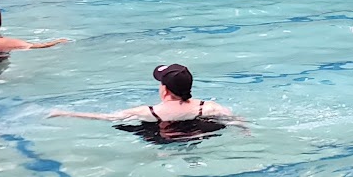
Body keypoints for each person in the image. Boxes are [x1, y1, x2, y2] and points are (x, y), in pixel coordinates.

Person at [49, 64, 239, 145]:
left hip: (162, 136)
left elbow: (108, 118)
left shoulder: (147, 112)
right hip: (197, 133)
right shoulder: (209, 107)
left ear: (164, 90)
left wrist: (65, 113)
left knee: (131, 127)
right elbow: (234, 120)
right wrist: (244, 131)